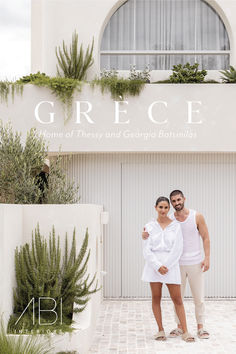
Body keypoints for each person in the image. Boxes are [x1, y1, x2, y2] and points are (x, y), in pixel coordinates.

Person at [142, 190, 210, 339]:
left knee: (191, 298)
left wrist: (207, 258)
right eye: (173, 202)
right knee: (165, 298)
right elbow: (146, 247)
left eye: (178, 200)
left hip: (187, 263)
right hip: (170, 266)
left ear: (184, 199)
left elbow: (202, 238)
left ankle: (199, 327)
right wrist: (156, 264)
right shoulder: (157, 223)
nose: (176, 203)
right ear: (156, 208)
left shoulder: (192, 217)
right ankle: (172, 328)